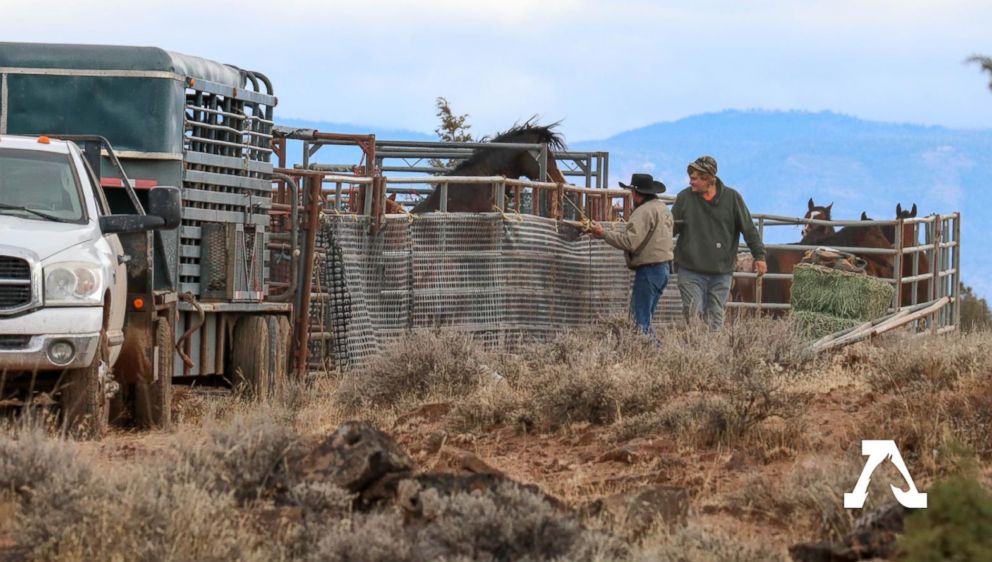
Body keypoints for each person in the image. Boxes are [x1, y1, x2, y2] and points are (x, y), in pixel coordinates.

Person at [671, 156, 766, 330]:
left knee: (715, 316)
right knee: (694, 314)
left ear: (708, 179)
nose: (690, 182)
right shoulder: (684, 198)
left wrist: (759, 256)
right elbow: (670, 228)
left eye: (695, 179)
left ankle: (711, 355)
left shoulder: (732, 198)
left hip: (721, 271)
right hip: (690, 269)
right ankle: (693, 353)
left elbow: (748, 228)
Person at [588, 173, 674, 337]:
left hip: (649, 270)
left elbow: (630, 242)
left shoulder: (643, 212)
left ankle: (648, 354)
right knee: (646, 319)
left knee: (639, 321)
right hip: (663, 269)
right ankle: (654, 354)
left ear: (635, 193)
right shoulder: (663, 209)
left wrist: (603, 233)